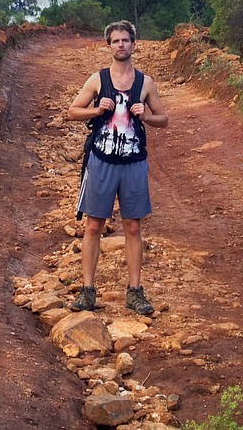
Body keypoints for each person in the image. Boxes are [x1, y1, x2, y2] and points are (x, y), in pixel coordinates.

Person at [66, 20, 169, 316]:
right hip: (101, 161)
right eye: (115, 41)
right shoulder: (98, 79)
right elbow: (72, 111)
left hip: (134, 162)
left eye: (125, 40)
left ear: (134, 45)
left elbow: (164, 118)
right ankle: (87, 291)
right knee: (94, 225)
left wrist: (146, 116)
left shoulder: (144, 82)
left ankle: (135, 291)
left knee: (133, 226)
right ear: (108, 46)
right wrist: (97, 110)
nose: (121, 45)